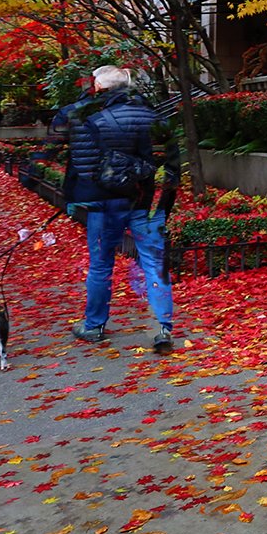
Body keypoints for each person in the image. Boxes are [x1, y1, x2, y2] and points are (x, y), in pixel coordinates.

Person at [64, 66, 179, 353]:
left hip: (103, 203)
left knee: (102, 264)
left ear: (99, 88)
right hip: (140, 199)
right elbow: (164, 158)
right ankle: (162, 327)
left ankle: (94, 326)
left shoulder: (87, 115)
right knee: (153, 263)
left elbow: (78, 163)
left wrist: (74, 198)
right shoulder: (149, 115)